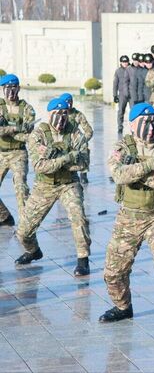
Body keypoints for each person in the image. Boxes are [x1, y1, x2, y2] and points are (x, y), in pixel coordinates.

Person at [100, 102, 154, 344]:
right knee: (112, 272)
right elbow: (118, 174)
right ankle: (122, 307)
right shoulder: (122, 146)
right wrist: (151, 165)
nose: (150, 128)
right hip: (128, 216)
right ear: (132, 124)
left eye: (153, 122)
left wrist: (135, 169)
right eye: (144, 122)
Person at [14, 98, 91, 277]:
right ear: (49, 115)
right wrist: (67, 158)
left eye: (64, 113)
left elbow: (83, 163)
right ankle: (33, 251)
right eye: (57, 114)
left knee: (78, 218)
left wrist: (56, 159)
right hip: (44, 185)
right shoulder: (38, 135)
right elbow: (40, 167)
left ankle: (83, 259)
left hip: (68, 183)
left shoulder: (75, 134)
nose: (61, 118)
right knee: (23, 231)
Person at [0, 74, 36, 226]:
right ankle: (4, 216)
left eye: (13, 87)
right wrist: (15, 128)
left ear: (18, 88)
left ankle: (24, 226)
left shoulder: (27, 109)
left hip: (18, 153)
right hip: (1, 152)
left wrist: (5, 128)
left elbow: (28, 133)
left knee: (21, 188)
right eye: (7, 88)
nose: (10, 91)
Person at [59, 93, 93, 184]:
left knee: (84, 147)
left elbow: (89, 131)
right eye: (66, 102)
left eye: (70, 102)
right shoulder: (58, 114)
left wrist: (82, 140)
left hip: (75, 140)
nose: (69, 105)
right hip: (62, 140)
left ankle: (83, 172)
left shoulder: (78, 115)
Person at [113, 55, 131, 134]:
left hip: (131, 93)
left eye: (126, 62)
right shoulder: (118, 71)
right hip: (122, 94)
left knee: (133, 110)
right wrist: (115, 95)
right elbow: (115, 83)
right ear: (121, 62)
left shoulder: (132, 70)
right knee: (121, 111)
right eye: (123, 62)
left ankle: (133, 127)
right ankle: (120, 127)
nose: (125, 63)